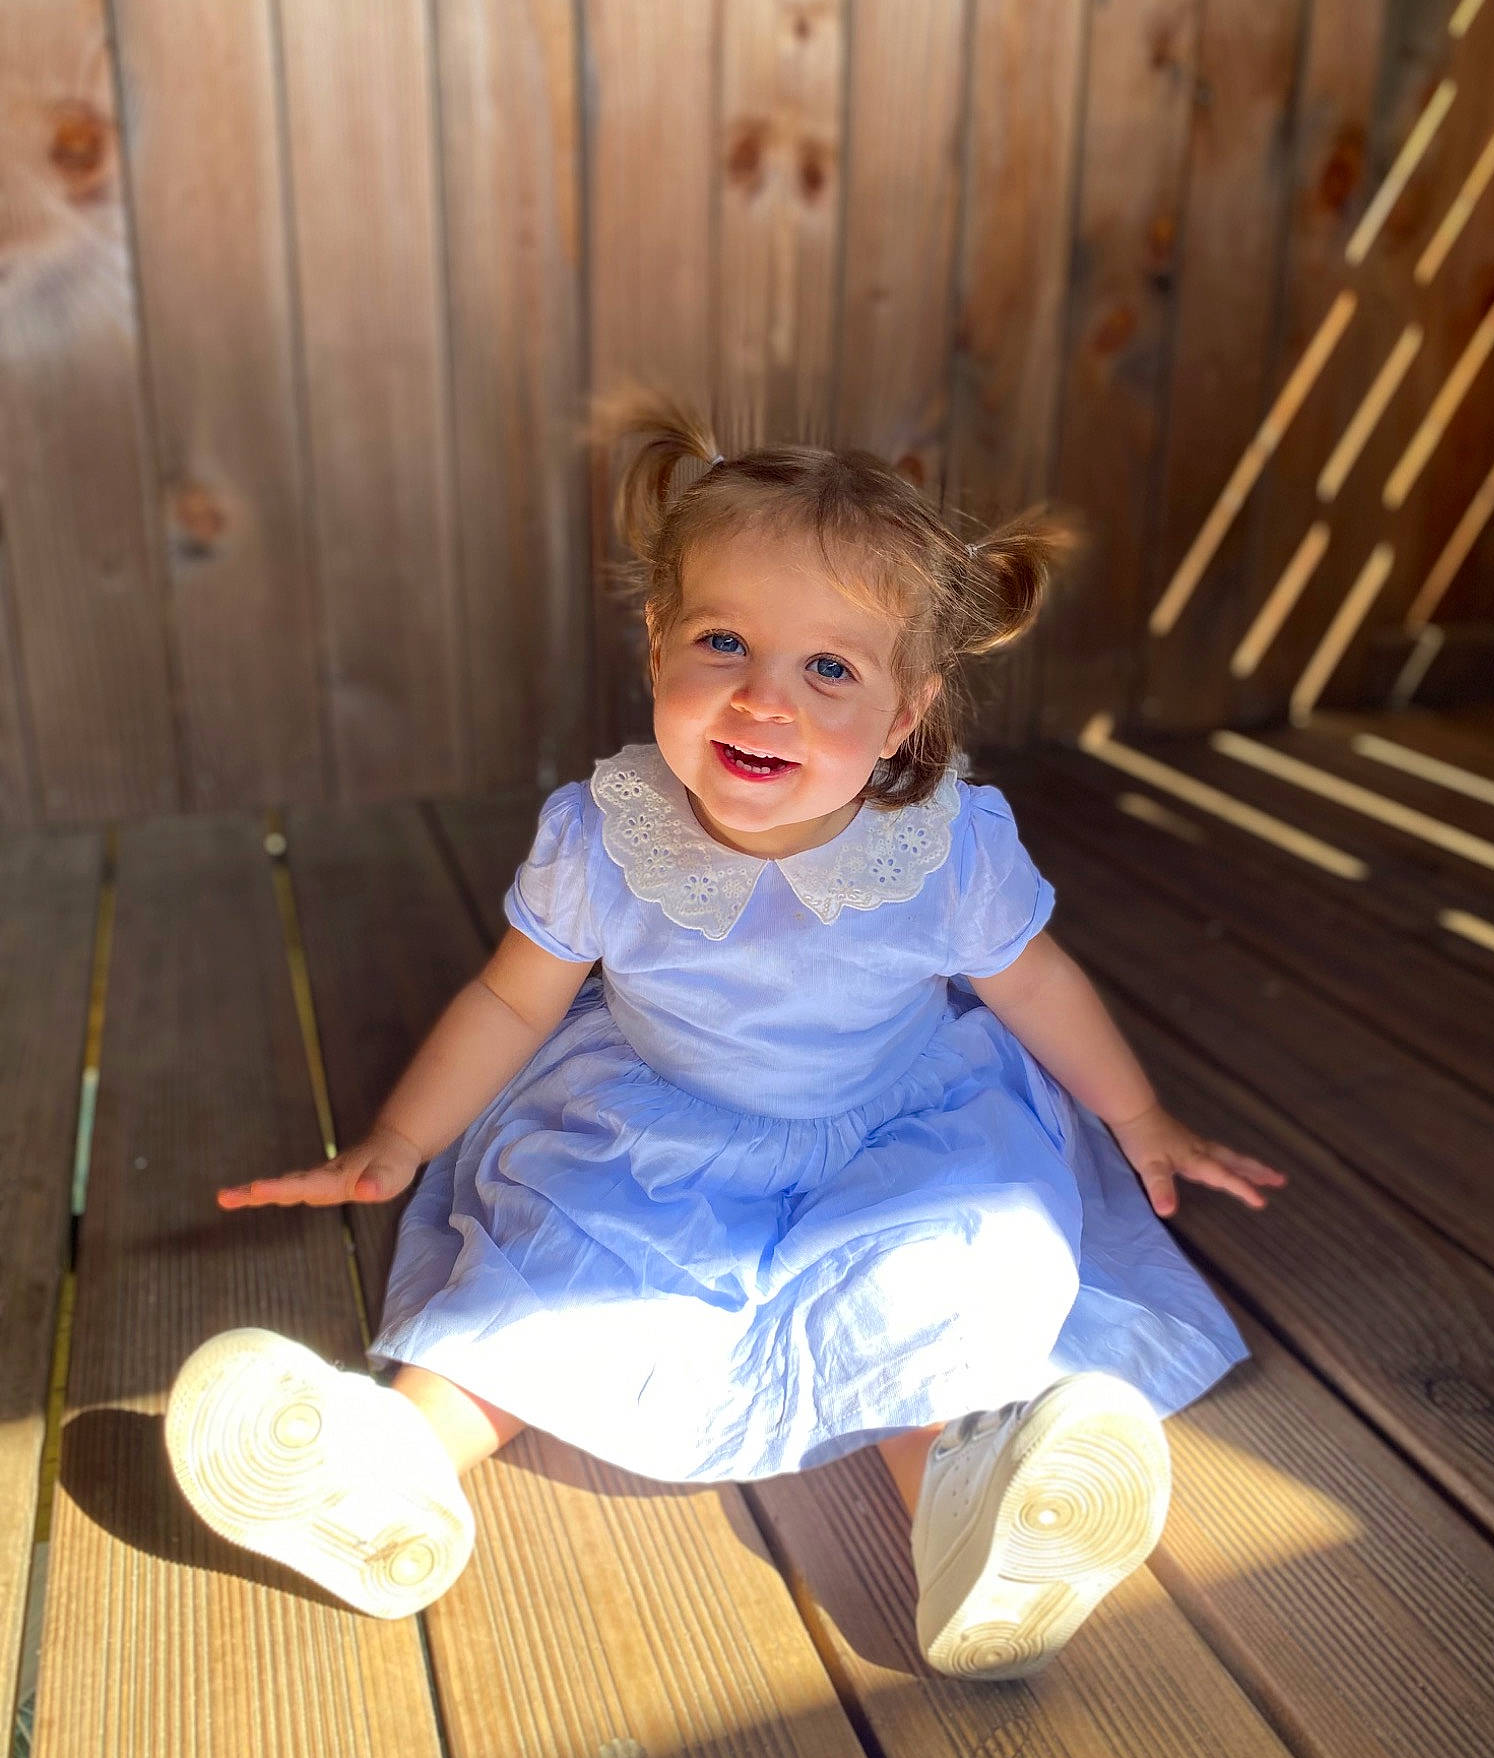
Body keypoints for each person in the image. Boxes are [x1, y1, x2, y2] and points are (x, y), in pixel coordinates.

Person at [165, 392, 1285, 1677]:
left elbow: (1036, 986)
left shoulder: (944, 848)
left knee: (942, 1276)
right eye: (723, 642)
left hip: (902, 1125)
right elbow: (511, 1000)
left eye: (829, 669)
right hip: (660, 1120)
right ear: (655, 646)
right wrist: (398, 1139)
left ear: (910, 708)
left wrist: (1138, 1119)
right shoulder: (606, 836)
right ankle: (391, 1471)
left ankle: (975, 1517)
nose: (765, 700)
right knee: (563, 1261)